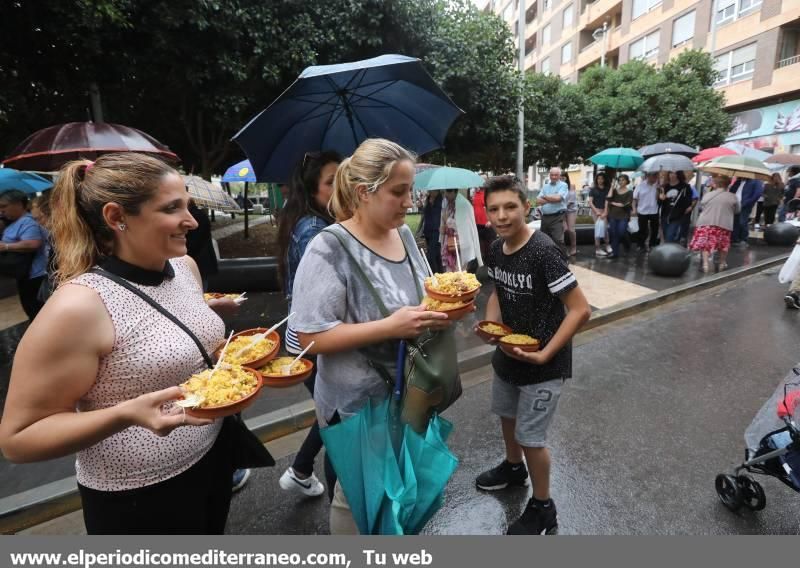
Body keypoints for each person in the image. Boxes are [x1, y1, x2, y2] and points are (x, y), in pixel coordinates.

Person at [0, 153, 238, 534]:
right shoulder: (77, 307)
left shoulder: (183, 267)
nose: (192, 222)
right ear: (116, 217)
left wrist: (225, 356)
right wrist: (124, 414)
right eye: (172, 208)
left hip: (213, 456)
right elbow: (19, 439)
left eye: (188, 206)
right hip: (139, 494)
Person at [288, 138, 452, 534]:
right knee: (357, 500)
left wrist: (443, 307)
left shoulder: (406, 237)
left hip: (409, 394)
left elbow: (425, 293)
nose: (409, 201)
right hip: (357, 408)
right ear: (365, 192)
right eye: (399, 191)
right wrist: (389, 327)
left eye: (411, 189)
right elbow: (306, 336)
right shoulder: (328, 247)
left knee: (401, 494)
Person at [474, 175, 591, 535]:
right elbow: (496, 291)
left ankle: (543, 506)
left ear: (527, 207)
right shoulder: (496, 248)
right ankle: (513, 468)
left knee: (531, 438)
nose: (502, 215)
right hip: (508, 356)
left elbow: (580, 309)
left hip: (544, 365)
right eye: (493, 209)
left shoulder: (543, 251)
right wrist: (491, 326)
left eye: (510, 206)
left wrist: (545, 356)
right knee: (507, 418)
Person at [276, 150, 342, 500]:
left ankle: (301, 469)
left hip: (305, 339)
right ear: (312, 188)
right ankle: (343, 512)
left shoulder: (307, 221)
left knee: (333, 413)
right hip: (314, 341)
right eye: (331, 182)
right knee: (339, 422)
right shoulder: (317, 231)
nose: (340, 187)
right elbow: (324, 307)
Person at [0, 190, 48, 320]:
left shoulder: (27, 222)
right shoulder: (11, 222)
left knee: (37, 313)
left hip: (35, 276)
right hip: (24, 276)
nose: (2, 210)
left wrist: (6, 246)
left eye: (4, 206)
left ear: (19, 204)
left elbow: (33, 243)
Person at [689, 175, 739, 273]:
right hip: (724, 223)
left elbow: (702, 205)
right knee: (723, 245)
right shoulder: (733, 197)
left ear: (716, 184)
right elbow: (737, 210)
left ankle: (705, 265)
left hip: (706, 222)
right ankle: (721, 263)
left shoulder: (708, 195)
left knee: (706, 244)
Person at [440, 188, 482, 272]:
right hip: (450, 244)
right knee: (451, 272)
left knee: (459, 272)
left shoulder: (463, 204)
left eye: (448, 191)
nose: (445, 195)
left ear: (455, 191)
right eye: (444, 192)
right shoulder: (448, 204)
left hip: (461, 245)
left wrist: (447, 220)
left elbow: (463, 226)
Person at [536, 167, 568, 256]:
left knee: (558, 240)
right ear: (549, 175)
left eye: (556, 175)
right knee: (544, 239)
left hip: (557, 217)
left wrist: (545, 197)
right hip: (545, 217)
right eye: (552, 175)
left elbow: (558, 198)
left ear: (559, 176)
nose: (553, 177)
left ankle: (563, 260)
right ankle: (548, 259)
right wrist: (552, 198)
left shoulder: (563, 185)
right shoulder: (545, 186)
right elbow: (538, 201)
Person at [186, 202, 218, 290]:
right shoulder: (197, 214)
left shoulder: (196, 216)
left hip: (200, 262)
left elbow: (194, 243)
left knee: (199, 292)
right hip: (201, 262)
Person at [659, 171, 694, 243]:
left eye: (675, 173)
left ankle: (669, 253)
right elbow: (660, 203)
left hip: (677, 216)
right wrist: (661, 198)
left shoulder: (685, 187)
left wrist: (688, 208)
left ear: (678, 174)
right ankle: (673, 249)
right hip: (665, 215)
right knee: (666, 236)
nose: (672, 175)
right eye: (671, 173)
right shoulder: (665, 187)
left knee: (669, 236)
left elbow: (688, 201)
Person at [606, 174, 633, 259]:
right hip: (613, 215)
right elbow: (608, 198)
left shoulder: (629, 192)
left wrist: (613, 203)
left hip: (623, 215)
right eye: (620, 180)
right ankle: (615, 253)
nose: (621, 181)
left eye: (623, 180)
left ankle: (627, 244)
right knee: (614, 233)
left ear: (627, 181)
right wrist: (612, 186)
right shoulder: (614, 190)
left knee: (621, 232)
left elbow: (624, 205)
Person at [730, 178, 763, 246]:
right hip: (735, 204)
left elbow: (758, 193)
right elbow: (732, 190)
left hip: (745, 205)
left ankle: (743, 239)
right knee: (735, 222)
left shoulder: (756, 181)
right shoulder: (738, 181)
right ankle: (735, 239)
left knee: (742, 221)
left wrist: (749, 202)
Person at [633, 172, 660, 251]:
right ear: (648, 176)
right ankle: (641, 245)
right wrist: (634, 209)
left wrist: (659, 188)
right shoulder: (640, 186)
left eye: (656, 176)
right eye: (653, 175)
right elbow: (634, 199)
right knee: (642, 230)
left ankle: (652, 245)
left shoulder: (657, 186)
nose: (655, 178)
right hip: (642, 211)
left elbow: (658, 198)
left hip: (654, 210)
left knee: (655, 229)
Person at [418, 191, 444, 273]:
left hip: (437, 231)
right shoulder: (428, 199)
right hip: (428, 231)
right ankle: (440, 274)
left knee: (430, 256)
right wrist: (419, 230)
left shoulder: (441, 201)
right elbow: (424, 216)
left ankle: (434, 274)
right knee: (436, 256)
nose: (430, 191)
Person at [472, 186, 497, 262]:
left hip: (488, 225)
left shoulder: (489, 194)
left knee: (489, 247)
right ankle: (483, 265)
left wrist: (490, 220)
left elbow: (494, 208)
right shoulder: (475, 194)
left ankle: (491, 264)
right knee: (480, 247)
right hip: (478, 225)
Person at [589, 173, 610, 257]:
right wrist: (596, 211)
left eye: (602, 178)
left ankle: (607, 245)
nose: (600, 180)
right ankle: (597, 249)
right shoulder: (593, 190)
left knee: (605, 230)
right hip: (596, 212)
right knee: (598, 229)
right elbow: (590, 202)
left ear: (604, 179)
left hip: (604, 211)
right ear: (596, 180)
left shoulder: (607, 189)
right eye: (598, 179)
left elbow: (608, 202)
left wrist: (605, 212)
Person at [562, 173, 577, 257]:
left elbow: (572, 200)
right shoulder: (558, 187)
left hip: (571, 210)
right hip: (561, 211)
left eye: (563, 177)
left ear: (566, 178)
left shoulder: (572, 186)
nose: (562, 179)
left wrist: (564, 206)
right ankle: (564, 249)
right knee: (564, 229)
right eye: (560, 177)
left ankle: (573, 247)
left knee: (571, 230)